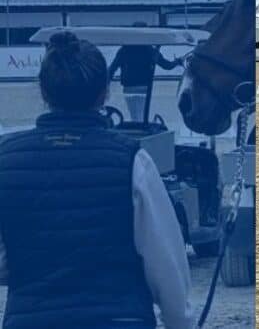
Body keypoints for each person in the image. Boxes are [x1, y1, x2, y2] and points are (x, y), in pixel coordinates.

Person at [0, 31, 193, 329]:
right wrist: (180, 322)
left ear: (43, 92)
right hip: (118, 318)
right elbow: (165, 263)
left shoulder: (6, 159)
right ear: (104, 93)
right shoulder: (133, 160)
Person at [107, 22, 183, 123]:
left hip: (129, 87)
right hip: (144, 87)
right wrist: (177, 62)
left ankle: (135, 126)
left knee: (134, 113)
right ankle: (141, 127)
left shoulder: (124, 50)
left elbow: (112, 68)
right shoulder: (150, 50)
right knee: (142, 113)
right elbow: (166, 65)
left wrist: (105, 84)